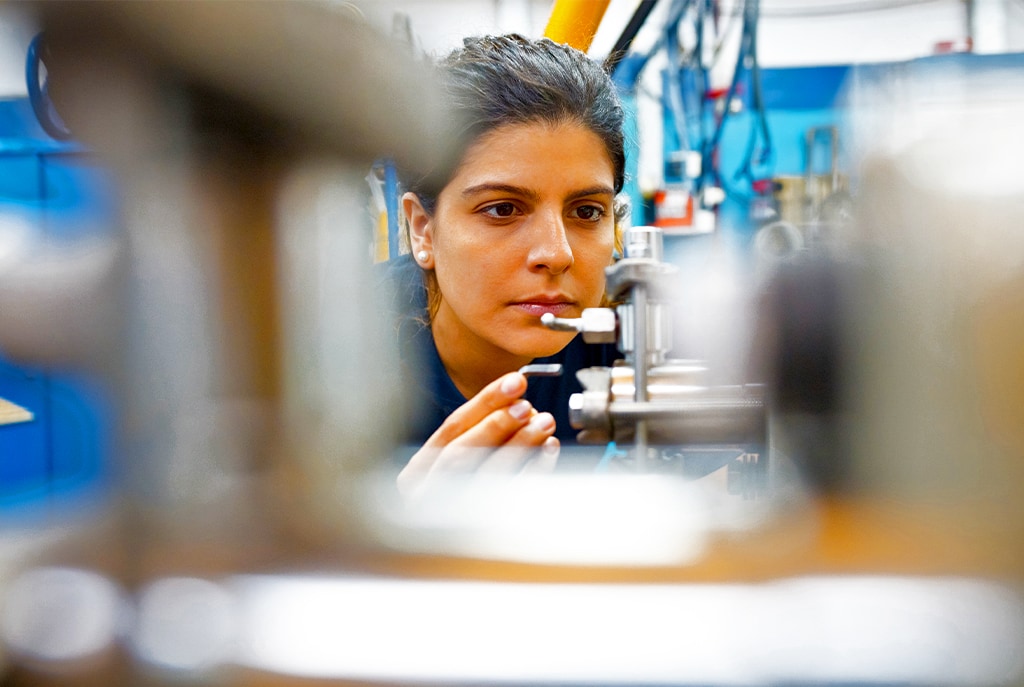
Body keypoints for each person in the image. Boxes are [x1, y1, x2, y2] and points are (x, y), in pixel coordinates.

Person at [380, 34, 626, 499]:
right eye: (502, 210)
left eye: (587, 211)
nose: (556, 254)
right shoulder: (329, 359)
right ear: (423, 230)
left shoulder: (627, 327)